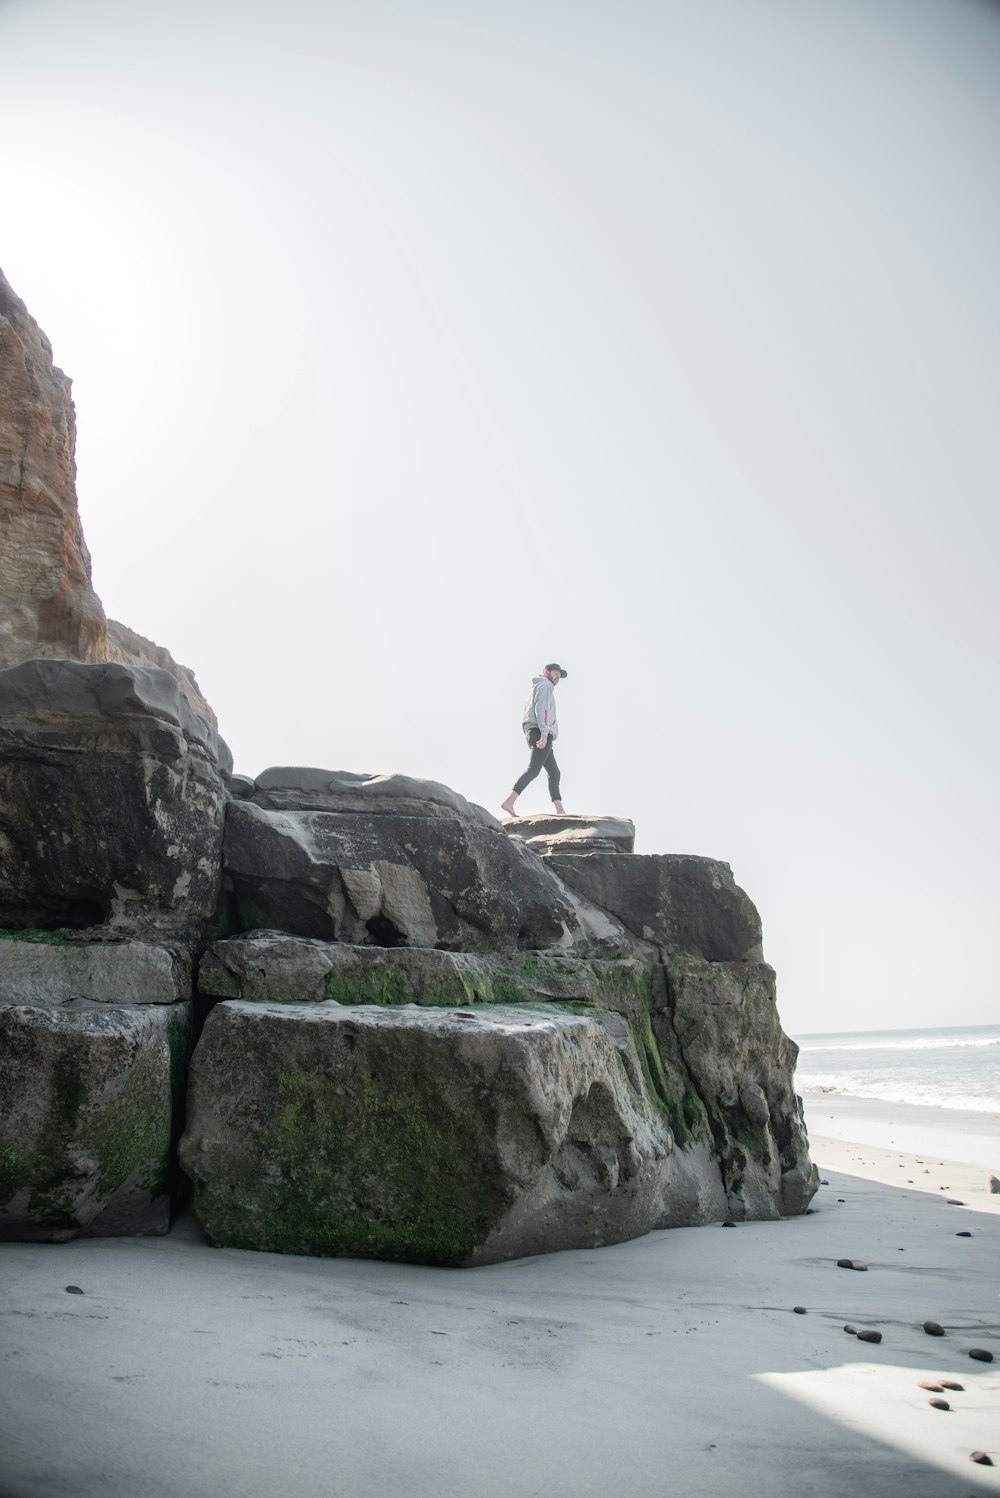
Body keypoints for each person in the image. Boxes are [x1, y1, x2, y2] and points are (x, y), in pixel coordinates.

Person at [500, 663, 567, 817]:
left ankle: (559, 809)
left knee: (554, 773)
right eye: (555, 674)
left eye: (559, 676)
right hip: (540, 731)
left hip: (537, 731)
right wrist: (544, 733)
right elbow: (542, 709)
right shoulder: (545, 685)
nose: (557, 678)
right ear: (546, 672)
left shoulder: (541, 686)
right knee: (534, 769)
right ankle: (509, 801)